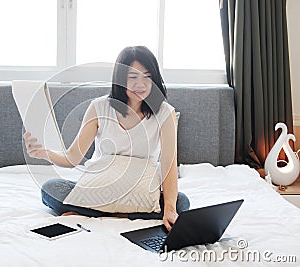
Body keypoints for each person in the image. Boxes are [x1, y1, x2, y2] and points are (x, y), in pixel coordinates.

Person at [23, 46, 189, 230]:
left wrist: (170, 209)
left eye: (147, 77)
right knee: (50, 189)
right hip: (101, 188)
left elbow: (168, 166)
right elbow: (72, 158)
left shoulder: (166, 114)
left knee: (181, 203)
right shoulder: (99, 107)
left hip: (140, 190)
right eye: (132, 77)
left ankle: (97, 211)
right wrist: (44, 152)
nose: (140, 84)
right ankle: (120, 212)